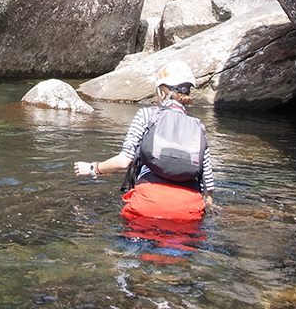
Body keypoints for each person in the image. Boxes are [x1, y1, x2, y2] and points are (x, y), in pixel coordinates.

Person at [74, 60, 215, 223]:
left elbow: (124, 161)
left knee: (129, 244)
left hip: (146, 204)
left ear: (162, 93)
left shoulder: (147, 116)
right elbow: (208, 184)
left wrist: (93, 168)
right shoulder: (198, 127)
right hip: (188, 211)